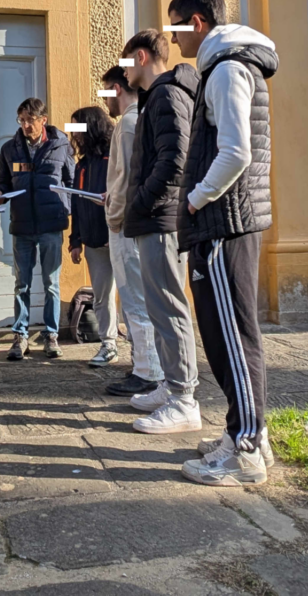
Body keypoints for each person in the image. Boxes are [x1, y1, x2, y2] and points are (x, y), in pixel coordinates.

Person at [168, 0, 279, 487]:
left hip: (223, 222)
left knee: (232, 335)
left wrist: (195, 198)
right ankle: (243, 433)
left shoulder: (228, 68)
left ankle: (247, 450)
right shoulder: (227, 65)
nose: (174, 40)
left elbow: (235, 153)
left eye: (175, 28)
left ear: (195, 22)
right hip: (225, 220)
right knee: (225, 333)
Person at [121, 29, 202, 435]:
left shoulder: (168, 95)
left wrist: (140, 203)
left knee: (170, 308)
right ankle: (172, 387)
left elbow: (175, 163)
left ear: (139, 57)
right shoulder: (159, 97)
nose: (123, 74)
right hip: (155, 218)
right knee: (160, 308)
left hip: (162, 219)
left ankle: (185, 399)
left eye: (125, 65)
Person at [0, 98, 76, 361]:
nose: (26, 125)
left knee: (51, 283)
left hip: (51, 224)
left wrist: (67, 209)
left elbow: (71, 182)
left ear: (44, 120)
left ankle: (51, 335)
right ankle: (20, 336)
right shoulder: (9, 149)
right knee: (22, 284)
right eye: (22, 120)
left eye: (30, 120)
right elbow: (4, 182)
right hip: (22, 225)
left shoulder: (61, 146)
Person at [100, 65, 164, 396]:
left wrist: (113, 212)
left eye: (106, 92)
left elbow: (125, 179)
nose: (105, 100)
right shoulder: (143, 117)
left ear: (117, 89)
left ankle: (147, 371)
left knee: (135, 302)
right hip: (138, 221)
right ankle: (148, 366)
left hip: (125, 226)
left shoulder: (126, 124)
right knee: (144, 299)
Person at [67, 107, 118, 367]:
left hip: (118, 236)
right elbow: (77, 203)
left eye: (77, 128)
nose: (73, 134)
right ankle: (108, 344)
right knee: (101, 296)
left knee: (134, 295)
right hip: (93, 241)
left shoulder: (114, 155)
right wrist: (75, 240)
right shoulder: (81, 165)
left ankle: (145, 351)